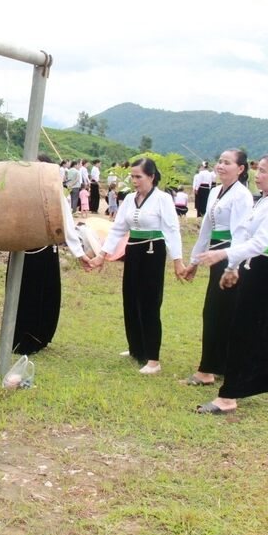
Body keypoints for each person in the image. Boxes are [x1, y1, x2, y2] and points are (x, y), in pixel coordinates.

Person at [194, 153, 268, 414]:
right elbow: (242, 236)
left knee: (242, 332)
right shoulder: (262, 202)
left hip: (267, 272)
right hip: (254, 270)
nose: (257, 175)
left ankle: (228, 397)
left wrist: (223, 254)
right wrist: (232, 267)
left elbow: (260, 243)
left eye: (262, 171)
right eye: (257, 170)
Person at [90, 157, 185, 374]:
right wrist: (102, 255)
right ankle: (136, 348)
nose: (134, 181)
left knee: (150, 302)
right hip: (133, 250)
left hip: (153, 251)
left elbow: (171, 230)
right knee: (130, 299)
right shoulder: (130, 199)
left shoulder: (162, 199)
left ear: (151, 177)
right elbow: (117, 229)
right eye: (132, 176)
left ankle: (153, 358)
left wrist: (177, 261)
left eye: (138, 177)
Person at [182, 149, 254, 386]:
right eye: (220, 162)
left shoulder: (242, 195)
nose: (221, 166)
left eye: (227, 163)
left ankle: (208, 371)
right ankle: (221, 364)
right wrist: (194, 262)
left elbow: (241, 233)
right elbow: (206, 230)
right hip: (215, 255)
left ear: (240, 169)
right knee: (218, 312)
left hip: (229, 257)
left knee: (218, 312)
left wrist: (232, 265)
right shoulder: (215, 192)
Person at [11, 155, 92, 355]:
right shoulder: (19, 192)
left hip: (45, 251)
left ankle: (38, 337)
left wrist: (79, 253)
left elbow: (67, 225)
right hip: (21, 250)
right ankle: (17, 336)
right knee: (20, 294)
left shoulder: (55, 194)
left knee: (43, 295)